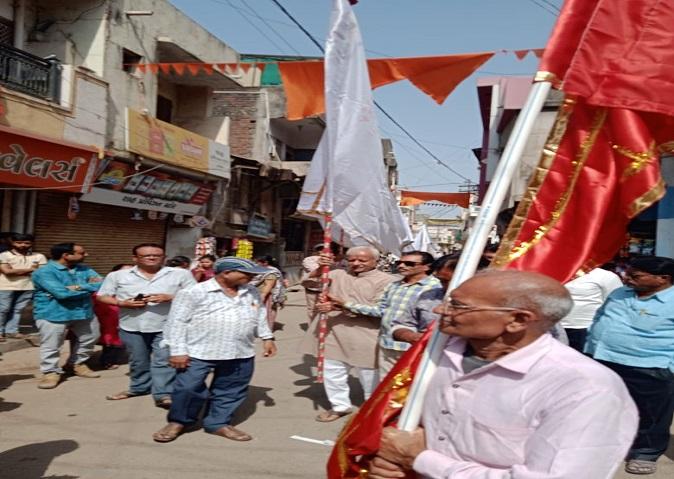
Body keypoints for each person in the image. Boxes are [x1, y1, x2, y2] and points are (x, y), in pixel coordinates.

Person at [368, 270, 638, 479]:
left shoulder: (584, 388)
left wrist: (420, 458)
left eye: (459, 306)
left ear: (518, 320)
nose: (440, 310)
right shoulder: (434, 354)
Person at [152, 257, 277, 443]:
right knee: (188, 388)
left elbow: (258, 314)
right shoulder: (194, 292)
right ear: (226, 273)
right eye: (247, 273)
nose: (252, 277)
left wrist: (267, 337)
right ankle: (179, 421)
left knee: (231, 389)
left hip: (239, 351)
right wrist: (177, 351)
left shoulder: (250, 291)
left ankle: (218, 423)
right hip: (198, 350)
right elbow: (176, 322)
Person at [585, 256, 674, 475]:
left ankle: (645, 452)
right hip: (603, 359)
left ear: (662, 279)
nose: (627, 278)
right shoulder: (619, 293)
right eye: (627, 273)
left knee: (650, 414)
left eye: (635, 276)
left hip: (651, 366)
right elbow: (600, 317)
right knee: (604, 407)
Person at [301, 246, 395, 422]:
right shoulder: (337, 274)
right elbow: (309, 284)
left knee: (369, 375)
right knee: (333, 371)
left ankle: (371, 409)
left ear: (376, 261)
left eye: (362, 260)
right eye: (351, 260)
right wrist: (321, 268)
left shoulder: (388, 281)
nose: (356, 263)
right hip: (334, 332)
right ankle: (340, 406)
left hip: (367, 333)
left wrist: (340, 306)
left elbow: (381, 310)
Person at [98, 243, 196, 409]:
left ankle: (163, 393)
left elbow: (196, 295)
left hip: (168, 325)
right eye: (146, 255)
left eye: (156, 255)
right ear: (135, 258)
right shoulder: (118, 276)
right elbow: (102, 296)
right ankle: (139, 387)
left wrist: (171, 297)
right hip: (131, 325)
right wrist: (123, 303)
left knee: (163, 360)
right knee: (138, 360)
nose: (152, 258)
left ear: (164, 258)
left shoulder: (180, 274)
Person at [329, 251, 439, 378]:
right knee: (386, 387)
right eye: (399, 262)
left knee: (412, 387)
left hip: (414, 347)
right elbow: (381, 310)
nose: (402, 266)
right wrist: (346, 305)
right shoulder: (394, 286)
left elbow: (433, 321)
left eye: (409, 263)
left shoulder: (435, 288)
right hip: (388, 343)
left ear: (427, 266)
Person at [31, 243, 103, 389]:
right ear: (66, 255)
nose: (86, 255)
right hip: (53, 312)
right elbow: (62, 294)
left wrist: (78, 287)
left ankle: (76, 364)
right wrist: (88, 289)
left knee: (91, 337)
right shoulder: (44, 272)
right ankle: (50, 372)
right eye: (82, 253)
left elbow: (102, 283)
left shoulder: (85, 269)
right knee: (52, 345)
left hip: (83, 312)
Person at [391, 254, 489, 344]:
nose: (438, 310)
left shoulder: (492, 302)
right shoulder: (428, 296)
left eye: (449, 281)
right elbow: (401, 325)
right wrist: (411, 336)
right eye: (442, 281)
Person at [561, 266, 623, 352]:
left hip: (586, 329)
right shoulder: (549, 273)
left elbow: (616, 305)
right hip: (553, 328)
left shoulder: (604, 276)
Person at [0, 233, 47, 341]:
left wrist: (16, 271)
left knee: (18, 309)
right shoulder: (4, 255)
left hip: (28, 286)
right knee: (3, 309)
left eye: (27, 243)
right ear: (12, 243)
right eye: (19, 242)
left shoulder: (39, 256)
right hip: (5, 286)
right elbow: (7, 272)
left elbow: (41, 273)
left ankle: (11, 331)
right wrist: (31, 269)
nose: (23, 245)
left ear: (32, 243)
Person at [94, 264, 133, 369]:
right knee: (111, 342)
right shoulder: (104, 288)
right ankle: (107, 361)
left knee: (121, 341)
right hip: (109, 318)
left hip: (125, 317)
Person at [251, 255, 285, 330]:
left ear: (265, 263)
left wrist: (262, 297)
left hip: (267, 296)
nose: (256, 264)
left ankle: (267, 330)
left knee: (267, 313)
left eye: (258, 262)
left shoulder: (271, 272)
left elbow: (269, 286)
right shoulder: (261, 271)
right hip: (258, 294)